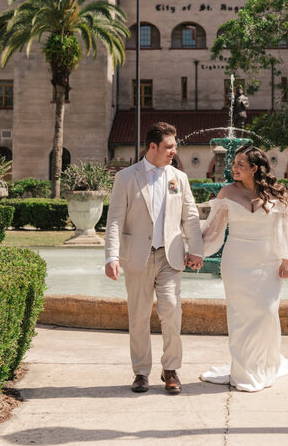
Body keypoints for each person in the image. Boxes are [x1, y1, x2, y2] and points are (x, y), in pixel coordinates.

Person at [104, 121, 204, 394]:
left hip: (170, 257)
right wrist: (111, 256)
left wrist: (196, 249)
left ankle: (170, 369)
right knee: (138, 317)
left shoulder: (178, 178)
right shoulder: (126, 177)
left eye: (174, 146)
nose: (174, 151)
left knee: (171, 311)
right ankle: (141, 372)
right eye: (170, 146)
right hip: (137, 256)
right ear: (153, 147)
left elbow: (190, 217)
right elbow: (114, 221)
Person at [199, 145, 288, 392]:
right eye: (234, 163)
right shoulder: (227, 192)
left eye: (240, 164)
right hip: (236, 261)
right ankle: (243, 369)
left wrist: (286, 259)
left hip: (268, 260)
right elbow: (214, 228)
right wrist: (197, 251)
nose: (234, 168)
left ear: (255, 169)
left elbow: (285, 228)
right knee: (240, 316)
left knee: (267, 312)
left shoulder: (277, 194)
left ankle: (266, 363)